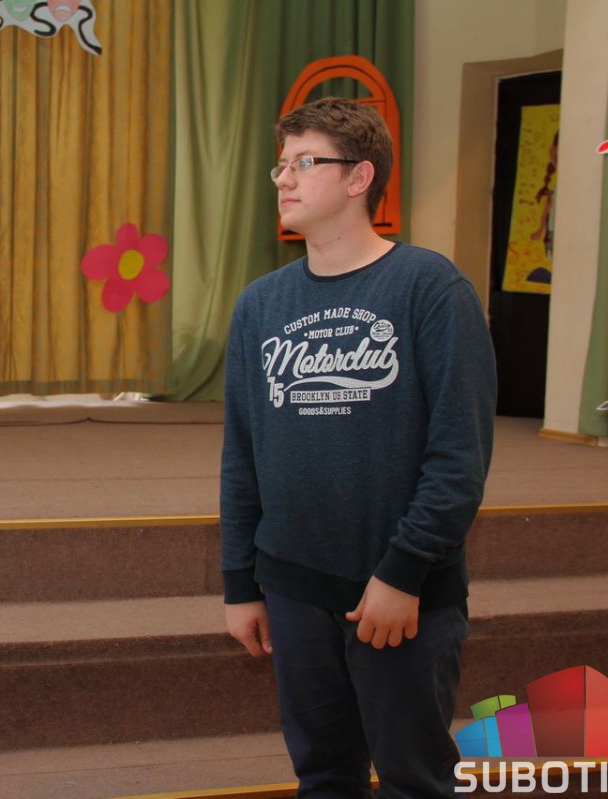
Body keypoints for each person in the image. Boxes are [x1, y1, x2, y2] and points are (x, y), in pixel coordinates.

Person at [220, 97, 496, 798]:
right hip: (293, 590)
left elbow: (459, 458)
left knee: (413, 779)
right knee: (323, 777)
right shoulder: (259, 305)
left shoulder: (430, 288)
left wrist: (403, 573)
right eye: (281, 165)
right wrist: (242, 582)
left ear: (359, 177)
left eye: (304, 162)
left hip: (402, 594)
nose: (284, 178)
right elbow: (243, 456)